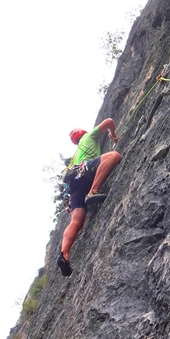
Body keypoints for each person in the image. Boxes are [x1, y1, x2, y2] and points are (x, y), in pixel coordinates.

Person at [57, 118, 121, 276]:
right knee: (114, 156)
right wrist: (112, 134)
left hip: (73, 184)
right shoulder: (89, 137)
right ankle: (93, 191)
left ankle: (64, 254)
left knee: (76, 220)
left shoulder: (75, 155)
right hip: (84, 172)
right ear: (83, 134)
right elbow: (109, 121)